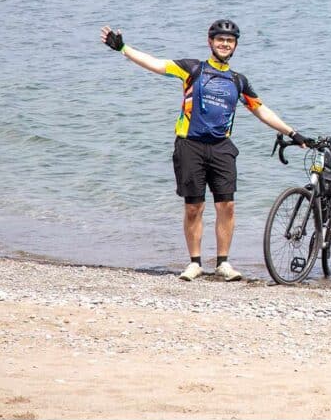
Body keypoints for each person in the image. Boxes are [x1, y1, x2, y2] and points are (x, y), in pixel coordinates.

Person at [100, 19, 308, 281]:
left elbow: (260, 109)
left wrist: (292, 132)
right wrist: (123, 48)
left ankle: (223, 263)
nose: (224, 43)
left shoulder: (238, 81)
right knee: (193, 207)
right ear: (210, 42)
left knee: (227, 206)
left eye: (229, 41)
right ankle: (195, 263)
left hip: (222, 148)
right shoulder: (193, 69)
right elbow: (156, 64)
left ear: (235, 46)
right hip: (190, 145)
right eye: (220, 39)